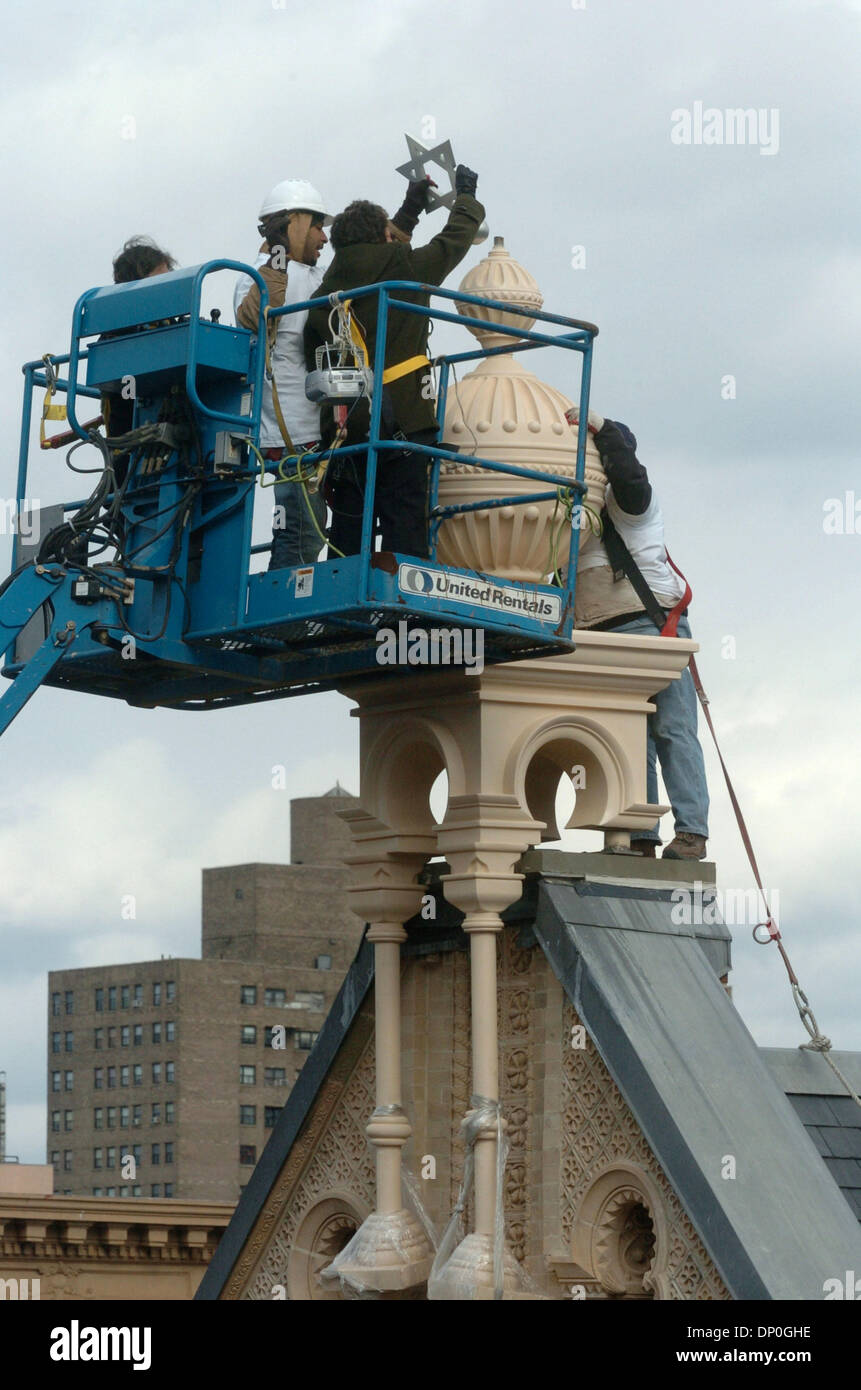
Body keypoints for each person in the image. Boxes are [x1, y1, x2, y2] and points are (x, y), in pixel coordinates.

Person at [304, 166, 485, 560]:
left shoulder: (321, 298)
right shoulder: (404, 270)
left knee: (349, 529)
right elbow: (453, 241)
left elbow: (313, 366)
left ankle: (341, 611)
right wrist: (466, 198)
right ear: (382, 236)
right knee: (405, 525)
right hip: (406, 424)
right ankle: (402, 609)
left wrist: (410, 209)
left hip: (347, 432)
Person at [568, 407, 709, 860]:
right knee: (629, 737)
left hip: (652, 628)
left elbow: (629, 474)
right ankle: (641, 834)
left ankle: (691, 832)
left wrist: (604, 431)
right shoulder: (575, 520)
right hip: (603, 637)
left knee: (673, 729)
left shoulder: (630, 505)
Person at [234, 180, 332, 570]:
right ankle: (286, 609)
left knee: (313, 529)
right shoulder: (256, 277)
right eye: (317, 226)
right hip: (288, 433)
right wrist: (276, 257)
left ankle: (296, 606)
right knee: (299, 531)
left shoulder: (314, 275)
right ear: (294, 225)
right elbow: (254, 316)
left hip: (316, 428)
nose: (325, 236)